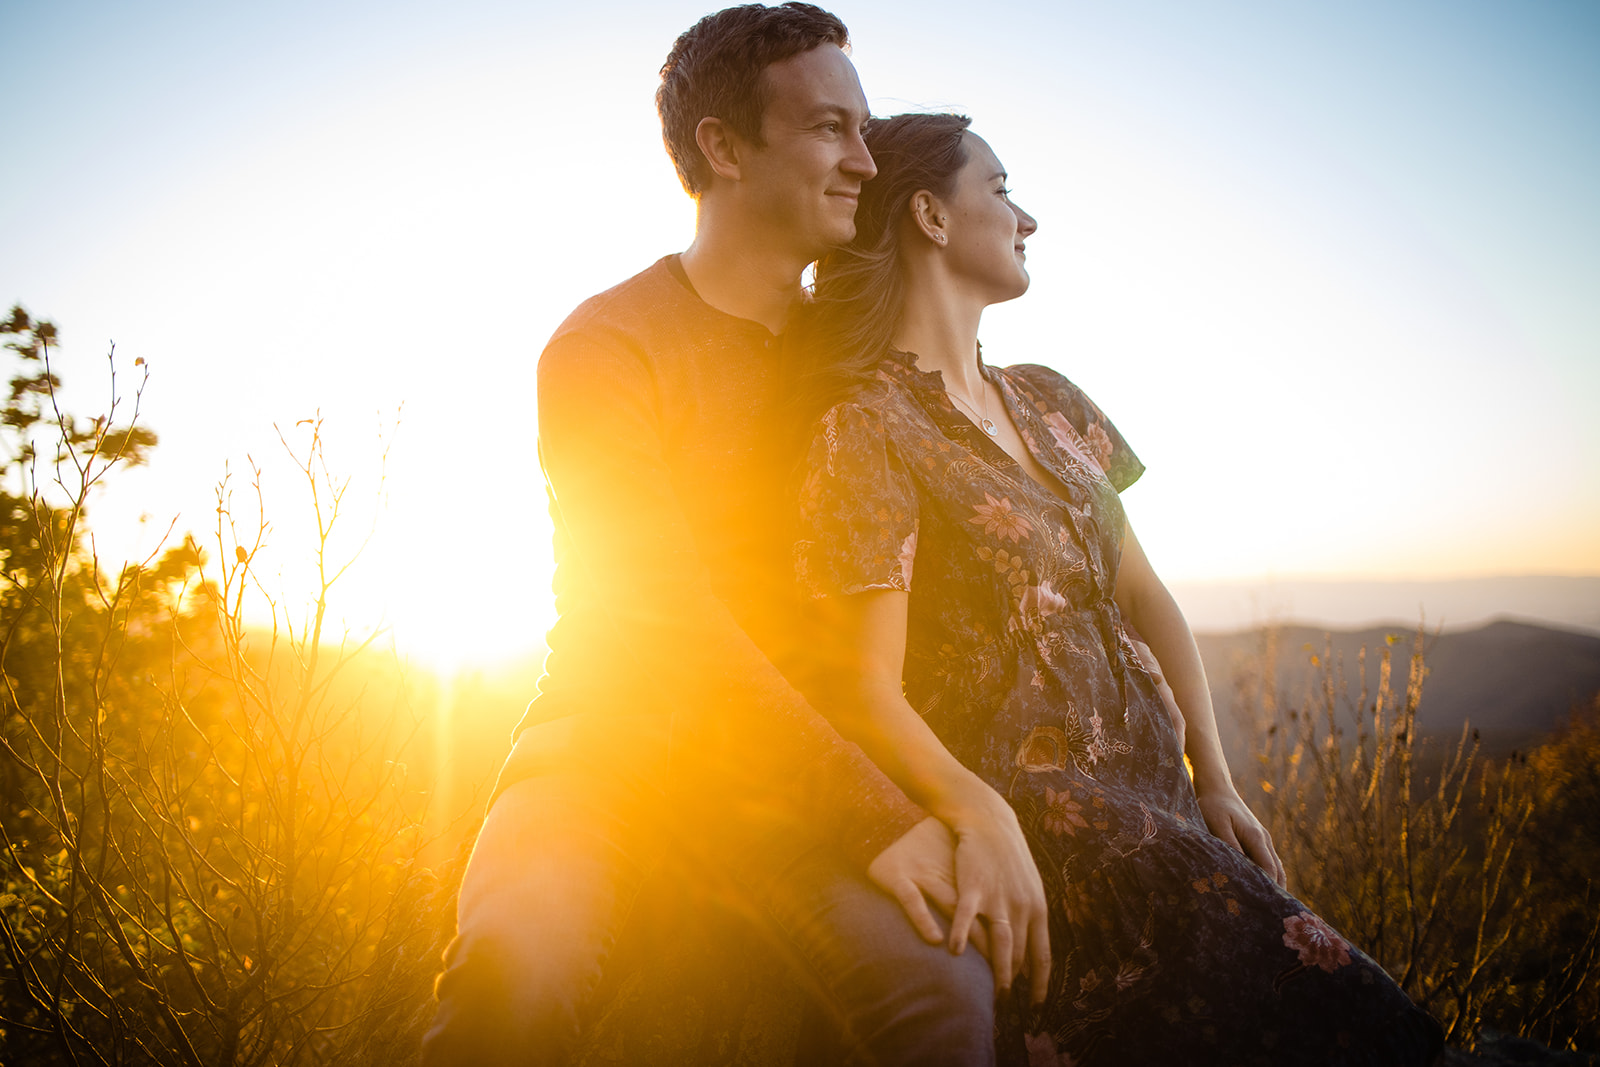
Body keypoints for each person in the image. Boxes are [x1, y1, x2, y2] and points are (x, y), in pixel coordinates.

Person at [786, 112, 1447, 1065]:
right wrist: (986, 814)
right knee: (1361, 1027)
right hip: (1047, 830)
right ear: (928, 215)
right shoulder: (866, 429)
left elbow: (1147, 599)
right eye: (1003, 189)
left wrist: (1213, 777)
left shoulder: (1052, 399)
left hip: (1162, 803)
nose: (1029, 219)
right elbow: (863, 688)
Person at [421, 11, 1002, 1066]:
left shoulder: (860, 359)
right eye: (831, 128)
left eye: (867, 131)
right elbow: (661, 619)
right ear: (723, 149)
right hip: (605, 749)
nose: (865, 162)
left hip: (799, 777)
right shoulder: (606, 347)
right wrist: (875, 817)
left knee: (945, 1004)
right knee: (512, 977)